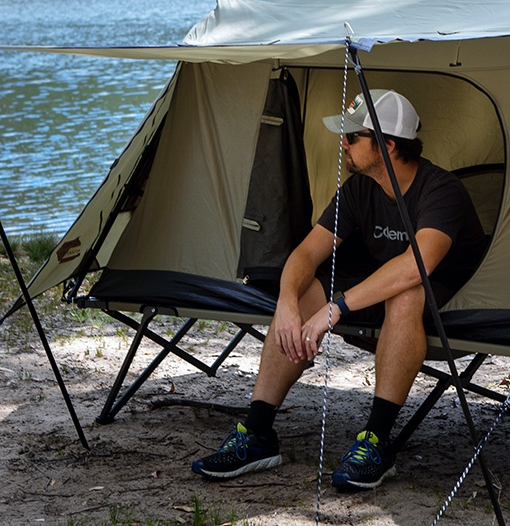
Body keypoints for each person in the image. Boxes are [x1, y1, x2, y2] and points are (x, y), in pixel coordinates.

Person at [192, 89, 487, 491]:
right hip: (377, 290)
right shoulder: (359, 188)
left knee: (406, 292)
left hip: (448, 299)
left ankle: (375, 442)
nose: (342, 143)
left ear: (387, 145)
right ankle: (258, 433)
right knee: (303, 294)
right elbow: (305, 253)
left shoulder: (441, 190)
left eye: (351, 137)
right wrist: (286, 302)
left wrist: (337, 308)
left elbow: (416, 266)